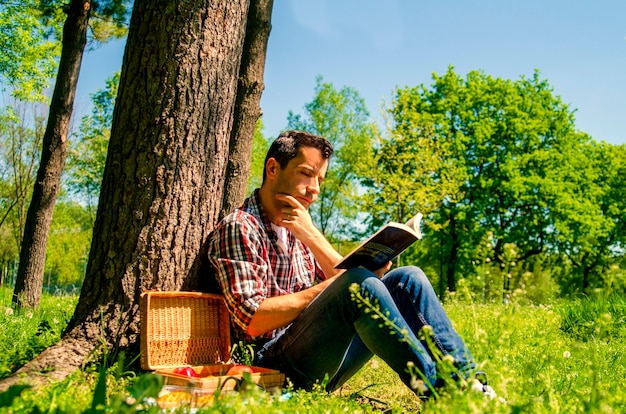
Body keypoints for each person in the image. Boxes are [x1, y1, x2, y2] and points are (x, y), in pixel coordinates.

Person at [207, 130, 496, 399]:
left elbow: (342, 285)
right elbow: (254, 320)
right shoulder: (241, 227)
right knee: (358, 283)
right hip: (275, 366)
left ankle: (472, 385)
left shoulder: (300, 226)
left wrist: (312, 236)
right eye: (306, 174)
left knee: (407, 278)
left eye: (320, 180)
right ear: (272, 170)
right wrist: (344, 282)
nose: (314, 190)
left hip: (324, 356)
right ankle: (445, 397)